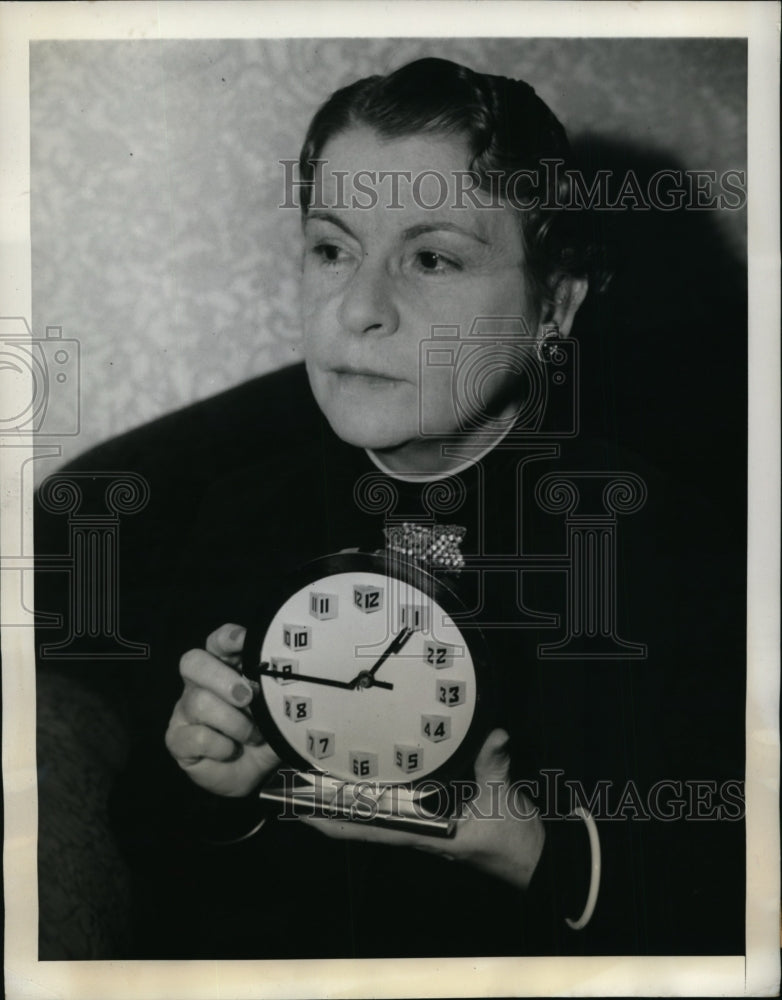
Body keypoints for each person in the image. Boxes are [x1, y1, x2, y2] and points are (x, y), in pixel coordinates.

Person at [35, 57, 745, 961]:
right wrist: (206, 783)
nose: (360, 308)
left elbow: (726, 900)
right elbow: (157, 868)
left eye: (433, 258)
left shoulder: (657, 544)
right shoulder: (236, 516)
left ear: (552, 307)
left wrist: (536, 852)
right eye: (332, 249)